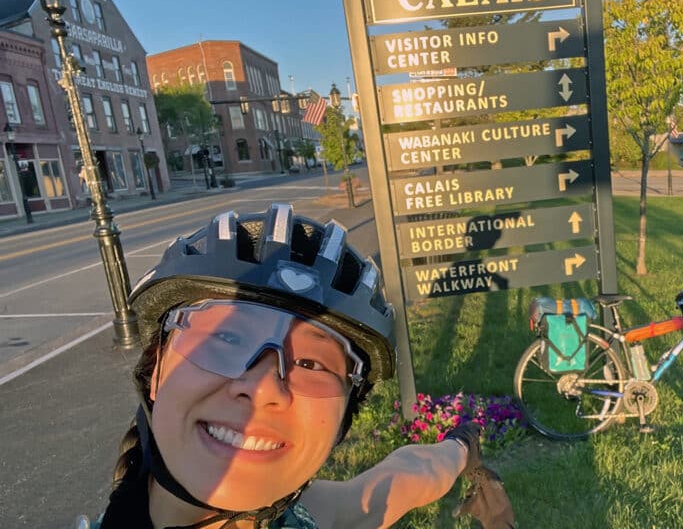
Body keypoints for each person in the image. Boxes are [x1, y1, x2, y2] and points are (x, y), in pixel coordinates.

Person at [87, 203, 514, 528]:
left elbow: (403, 477)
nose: (261, 388)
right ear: (156, 369)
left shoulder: (307, 514)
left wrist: (461, 448)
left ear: (342, 420)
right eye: (226, 337)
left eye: (312, 362)